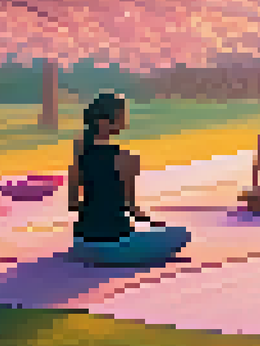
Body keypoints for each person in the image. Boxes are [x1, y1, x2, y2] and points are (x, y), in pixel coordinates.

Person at [67, 92, 190, 267]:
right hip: (113, 245)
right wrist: (152, 223)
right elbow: (131, 208)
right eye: (121, 117)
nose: (125, 122)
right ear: (105, 122)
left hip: (81, 242)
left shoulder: (79, 148)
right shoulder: (126, 158)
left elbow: (73, 202)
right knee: (181, 234)